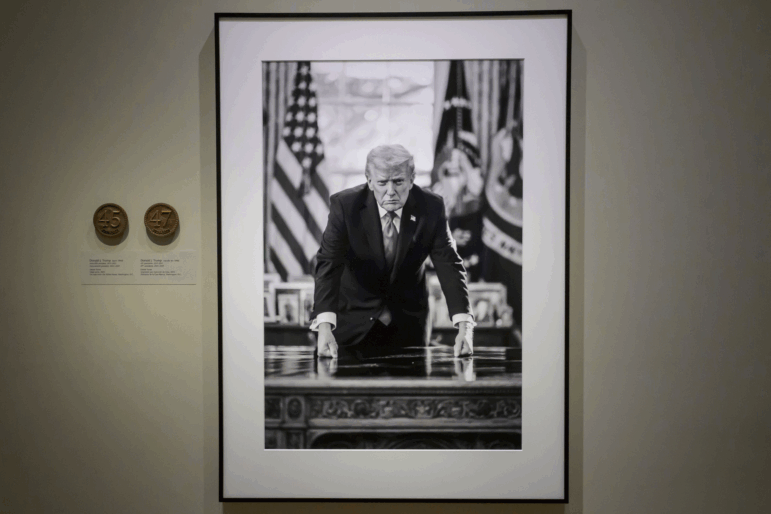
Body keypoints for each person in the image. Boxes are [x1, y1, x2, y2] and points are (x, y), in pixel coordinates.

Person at [310, 144, 475, 359]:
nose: (391, 192)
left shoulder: (431, 206)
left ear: (411, 178)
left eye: (398, 181)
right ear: (369, 180)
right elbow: (328, 265)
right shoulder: (345, 206)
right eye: (382, 182)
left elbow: (449, 265)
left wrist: (465, 327)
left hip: (409, 325)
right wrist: (324, 327)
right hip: (352, 324)